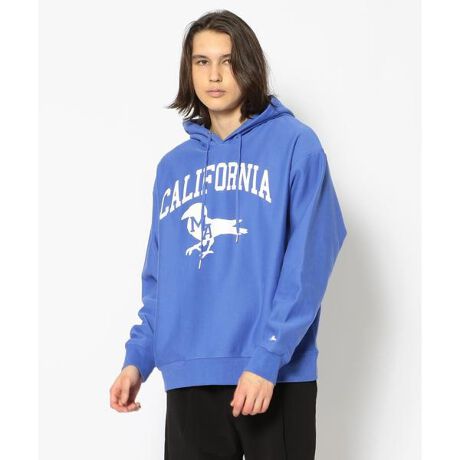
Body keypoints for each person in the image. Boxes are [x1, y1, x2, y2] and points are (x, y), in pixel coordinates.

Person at [109, 9, 347, 460]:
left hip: (272, 376)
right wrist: (138, 359)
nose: (214, 75)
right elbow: (161, 280)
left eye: (228, 61)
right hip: (190, 377)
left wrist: (268, 357)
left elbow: (309, 263)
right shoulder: (172, 168)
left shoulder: (296, 145)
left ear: (249, 66)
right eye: (202, 61)